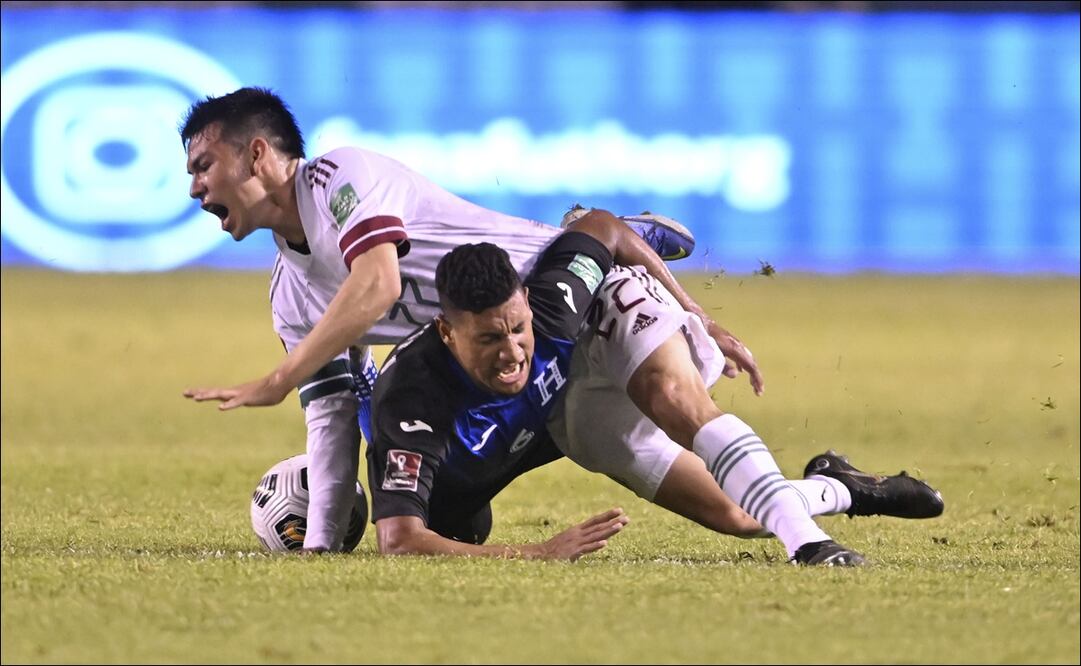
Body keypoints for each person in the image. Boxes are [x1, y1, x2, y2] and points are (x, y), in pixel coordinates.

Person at [178, 87, 759, 553]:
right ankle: (836, 491)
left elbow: (377, 282)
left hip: (552, 306)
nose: (195, 188)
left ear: (257, 153)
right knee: (442, 516)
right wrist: (322, 548)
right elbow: (330, 421)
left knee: (682, 412)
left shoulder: (340, 178)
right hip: (497, 373)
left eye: (204, 165)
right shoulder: (290, 297)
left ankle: (600, 236)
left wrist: (280, 378)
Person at [368, 227, 944, 562]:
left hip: (604, 318)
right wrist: (538, 553)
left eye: (518, 330)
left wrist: (700, 317)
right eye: (490, 339)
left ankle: (810, 547)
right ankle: (839, 487)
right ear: (447, 331)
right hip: (570, 410)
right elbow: (399, 539)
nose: (514, 351)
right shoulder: (413, 404)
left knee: (674, 398)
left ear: (525, 303)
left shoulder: (551, 301)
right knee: (739, 514)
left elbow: (603, 228)